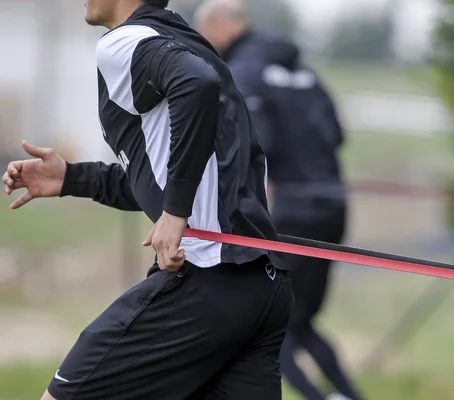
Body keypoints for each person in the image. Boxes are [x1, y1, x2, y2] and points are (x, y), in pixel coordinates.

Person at [2, 1, 293, 399]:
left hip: (206, 279)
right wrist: (72, 178)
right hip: (264, 288)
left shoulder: (123, 42)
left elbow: (196, 84)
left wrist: (175, 213)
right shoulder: (185, 40)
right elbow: (165, 175)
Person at [196, 2, 365, 400]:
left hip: (293, 210)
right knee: (301, 323)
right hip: (334, 206)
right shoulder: (304, 71)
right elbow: (337, 134)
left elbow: (257, 144)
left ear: (220, 27)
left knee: (269, 327)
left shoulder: (244, 73)